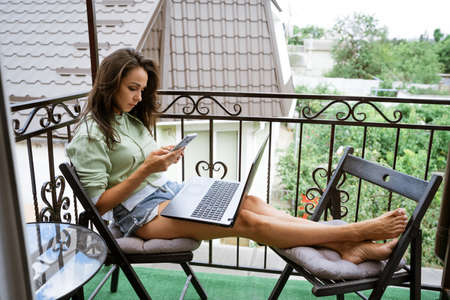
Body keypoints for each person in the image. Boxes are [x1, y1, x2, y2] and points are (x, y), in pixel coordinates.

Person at [66, 48, 408, 265]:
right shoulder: (90, 135)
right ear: (110, 83)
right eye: (132, 88)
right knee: (244, 222)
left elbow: (139, 165)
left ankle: (347, 245)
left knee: (252, 201)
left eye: (143, 89)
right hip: (140, 219)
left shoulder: (125, 118)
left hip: (168, 194)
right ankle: (351, 235)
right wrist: (144, 171)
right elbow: (98, 206)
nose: (140, 97)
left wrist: (161, 161)